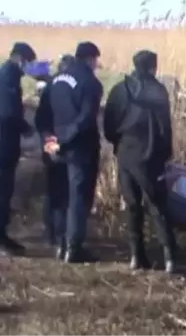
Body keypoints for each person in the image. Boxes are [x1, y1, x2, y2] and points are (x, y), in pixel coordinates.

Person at [103, 50, 178, 273]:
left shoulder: (119, 90)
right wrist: (165, 154)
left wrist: (119, 143)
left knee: (132, 206)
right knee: (158, 206)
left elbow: (108, 125)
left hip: (125, 154)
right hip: (151, 155)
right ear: (153, 67)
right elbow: (165, 129)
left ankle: (136, 256)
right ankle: (170, 258)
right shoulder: (158, 91)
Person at [48, 42, 103, 263]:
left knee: (60, 196)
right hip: (80, 148)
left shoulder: (56, 80)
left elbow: (45, 112)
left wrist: (49, 138)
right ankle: (74, 248)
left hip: (55, 146)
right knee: (78, 198)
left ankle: (60, 243)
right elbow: (86, 118)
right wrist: (64, 139)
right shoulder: (91, 83)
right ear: (90, 58)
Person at [0, 42, 37, 255]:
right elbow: (6, 112)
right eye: (29, 63)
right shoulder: (8, 77)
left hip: (6, 142)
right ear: (21, 59)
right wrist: (25, 128)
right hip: (3, 144)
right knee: (3, 191)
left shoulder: (8, 74)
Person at [34, 54, 75, 248]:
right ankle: (61, 234)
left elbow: (40, 118)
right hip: (65, 146)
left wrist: (47, 137)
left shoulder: (50, 88)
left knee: (52, 190)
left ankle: (51, 233)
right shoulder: (72, 89)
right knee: (64, 191)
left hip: (50, 144)